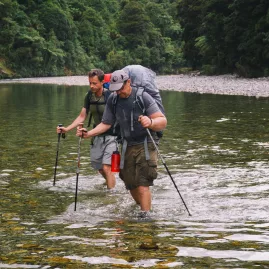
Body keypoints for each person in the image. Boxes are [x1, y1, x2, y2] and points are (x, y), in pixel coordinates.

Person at [76, 69, 167, 218]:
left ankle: (145, 217)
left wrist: (150, 122)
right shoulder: (113, 99)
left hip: (146, 142)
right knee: (130, 183)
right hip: (126, 144)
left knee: (143, 183)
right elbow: (106, 123)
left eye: (121, 88)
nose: (118, 92)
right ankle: (143, 207)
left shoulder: (143, 97)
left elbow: (162, 121)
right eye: (115, 89)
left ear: (128, 82)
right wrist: (88, 134)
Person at [56, 69, 117, 190]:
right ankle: (112, 184)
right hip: (96, 136)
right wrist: (67, 129)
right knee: (100, 168)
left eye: (94, 83)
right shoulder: (89, 96)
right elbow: (82, 116)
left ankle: (111, 196)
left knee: (106, 168)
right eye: (90, 83)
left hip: (112, 136)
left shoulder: (110, 96)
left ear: (102, 82)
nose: (92, 86)